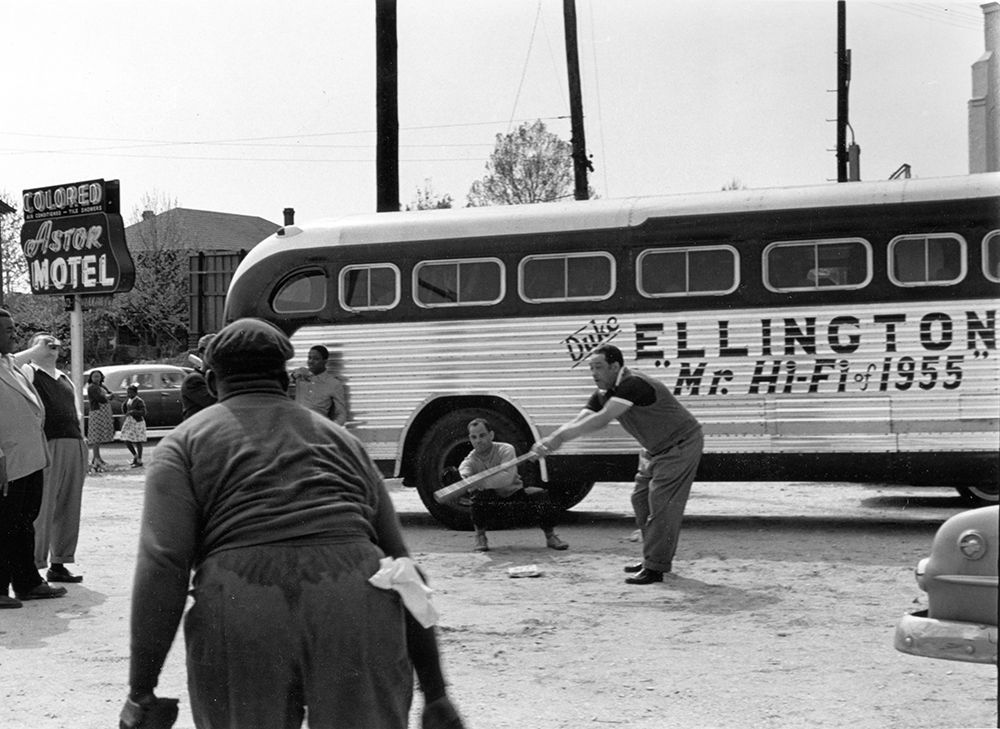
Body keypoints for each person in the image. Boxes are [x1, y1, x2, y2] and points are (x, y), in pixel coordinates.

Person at [121, 318, 464, 729]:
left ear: (212, 382)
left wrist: (141, 688)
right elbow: (403, 567)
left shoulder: (182, 444)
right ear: (285, 380)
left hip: (243, 603)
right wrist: (437, 692)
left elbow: (164, 564)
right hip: (356, 600)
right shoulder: (343, 443)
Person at [532, 344, 703, 585]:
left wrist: (558, 439)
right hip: (653, 449)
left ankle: (656, 567)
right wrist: (550, 441)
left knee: (662, 505)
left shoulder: (632, 384)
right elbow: (582, 419)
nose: (594, 373)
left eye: (599, 367)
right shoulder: (604, 391)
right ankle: (651, 558)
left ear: (615, 366)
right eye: (591, 368)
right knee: (640, 500)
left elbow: (602, 419)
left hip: (680, 445)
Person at [0, 310, 67, 608]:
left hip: (28, 458)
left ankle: (27, 582)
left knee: (23, 521)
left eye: (14, 329)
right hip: (6, 461)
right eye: (6, 330)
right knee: (5, 523)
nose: (13, 335)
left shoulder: (11, 366)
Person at [19, 332, 88, 584]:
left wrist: (83, 442)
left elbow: (76, 413)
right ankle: (34, 566)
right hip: (48, 444)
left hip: (74, 443)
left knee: (69, 506)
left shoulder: (65, 378)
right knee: (43, 507)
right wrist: (35, 351)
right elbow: (6, 365)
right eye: (45, 343)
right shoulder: (27, 371)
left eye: (54, 343)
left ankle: (59, 562)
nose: (52, 346)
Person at [458, 418, 568, 553]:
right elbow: (465, 475)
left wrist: (480, 482)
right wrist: (467, 479)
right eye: (474, 437)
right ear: (470, 438)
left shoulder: (506, 449)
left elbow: (507, 478)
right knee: (478, 497)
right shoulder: (470, 460)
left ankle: (551, 537)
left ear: (491, 435)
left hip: (514, 496)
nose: (478, 440)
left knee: (540, 495)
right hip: (492, 503)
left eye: (482, 435)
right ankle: (480, 536)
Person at [292, 344, 349, 425]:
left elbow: (341, 414)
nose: (311, 361)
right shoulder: (300, 376)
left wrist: (330, 428)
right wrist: (294, 375)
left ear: (325, 361)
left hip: (318, 429)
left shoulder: (334, 384)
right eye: (309, 358)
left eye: (316, 359)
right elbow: (280, 383)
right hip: (297, 428)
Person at [181, 333, 217, 420]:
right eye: (215, 350)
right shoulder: (193, 380)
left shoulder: (215, 377)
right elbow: (217, 403)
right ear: (202, 351)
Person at [86, 370, 115, 472]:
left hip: (104, 412)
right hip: (97, 412)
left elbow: (110, 394)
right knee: (96, 436)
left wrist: (110, 395)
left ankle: (98, 458)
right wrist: (108, 397)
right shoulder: (92, 388)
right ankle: (96, 458)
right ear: (91, 378)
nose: (96, 378)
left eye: (98, 376)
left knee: (100, 435)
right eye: (94, 376)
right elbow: (100, 398)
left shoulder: (102, 386)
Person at [119, 384, 147, 468]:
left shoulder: (139, 401)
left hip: (137, 422)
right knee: (126, 439)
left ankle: (139, 459)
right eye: (128, 393)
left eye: (131, 393)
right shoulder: (128, 400)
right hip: (130, 422)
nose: (129, 394)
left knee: (138, 441)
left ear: (136, 393)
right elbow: (125, 408)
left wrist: (133, 412)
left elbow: (143, 412)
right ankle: (135, 455)